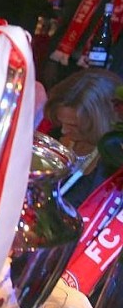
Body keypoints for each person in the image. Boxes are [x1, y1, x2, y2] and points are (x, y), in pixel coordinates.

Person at [44, 69, 123, 207]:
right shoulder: (56, 136)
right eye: (61, 121)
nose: (64, 130)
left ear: (101, 122)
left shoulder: (113, 164)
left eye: (73, 126)